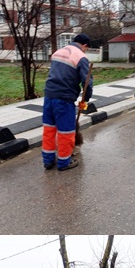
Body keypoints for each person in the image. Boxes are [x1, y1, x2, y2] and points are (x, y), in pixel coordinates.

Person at [42, 33, 93, 171]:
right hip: (64, 99)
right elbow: (87, 82)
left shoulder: (58, 52)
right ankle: (64, 162)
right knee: (66, 131)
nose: (85, 51)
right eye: (86, 48)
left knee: (49, 129)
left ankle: (48, 160)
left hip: (49, 95)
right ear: (84, 45)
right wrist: (85, 99)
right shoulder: (81, 57)